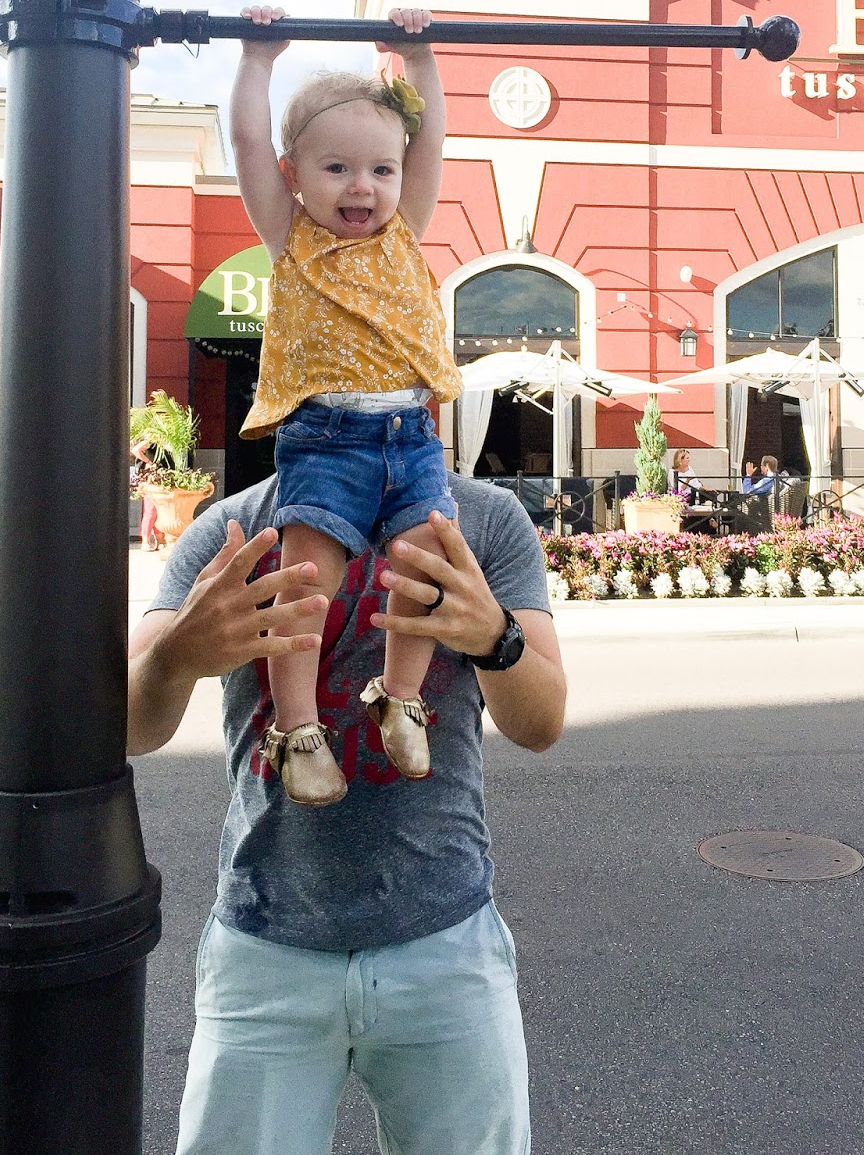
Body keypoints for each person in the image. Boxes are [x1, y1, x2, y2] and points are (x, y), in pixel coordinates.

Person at [127, 469, 565, 1155]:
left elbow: (540, 724)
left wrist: (495, 636)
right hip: (266, 947)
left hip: (445, 944)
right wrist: (175, 657)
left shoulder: (482, 521)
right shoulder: (236, 529)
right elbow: (129, 726)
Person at [230, 3, 463, 805]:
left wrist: (418, 60)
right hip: (326, 439)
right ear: (295, 174)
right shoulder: (291, 236)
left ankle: (400, 699)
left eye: (381, 170)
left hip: (411, 435)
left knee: (426, 572)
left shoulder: (406, 230)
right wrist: (258, 59)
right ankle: (298, 731)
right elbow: (247, 143)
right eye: (336, 168)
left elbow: (431, 140)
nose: (363, 186)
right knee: (305, 586)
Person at [131, 436, 159, 552]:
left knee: (159, 511)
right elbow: (135, 450)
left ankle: (159, 539)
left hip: (160, 476)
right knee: (150, 510)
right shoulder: (151, 440)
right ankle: (145, 541)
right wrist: (149, 462)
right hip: (150, 478)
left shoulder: (163, 442)